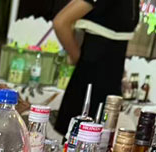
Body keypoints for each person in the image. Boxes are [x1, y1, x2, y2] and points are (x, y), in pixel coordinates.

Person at [52, 0, 140, 135]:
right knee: (81, 140)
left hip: (110, 79)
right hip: (92, 79)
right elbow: (61, 23)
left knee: (101, 139)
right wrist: (77, 57)